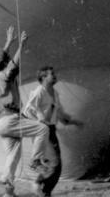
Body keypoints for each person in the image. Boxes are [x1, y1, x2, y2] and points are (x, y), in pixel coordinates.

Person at [0, 26, 50, 197]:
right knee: (43, 129)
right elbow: (13, 66)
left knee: (12, 156)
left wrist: (8, 42)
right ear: (4, 63)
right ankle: (36, 160)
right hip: (9, 119)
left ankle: (8, 192)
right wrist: (21, 47)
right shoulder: (4, 76)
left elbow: (0, 59)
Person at [23, 66, 82, 197]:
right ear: (44, 78)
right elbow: (27, 111)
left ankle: (42, 187)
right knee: (55, 165)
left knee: (53, 165)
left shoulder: (54, 92)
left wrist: (72, 121)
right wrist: (39, 123)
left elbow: (59, 114)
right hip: (43, 131)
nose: (55, 76)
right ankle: (42, 188)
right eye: (52, 74)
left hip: (51, 130)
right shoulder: (39, 91)